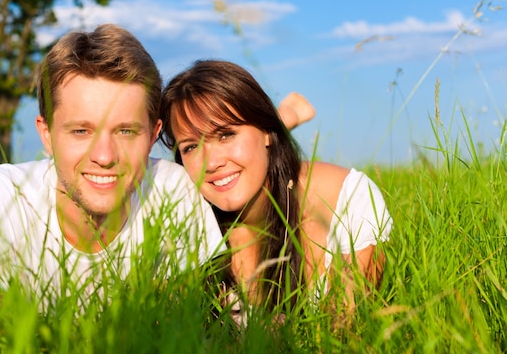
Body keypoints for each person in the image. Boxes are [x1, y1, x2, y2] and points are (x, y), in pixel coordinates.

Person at [0, 25, 225, 310]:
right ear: (47, 134)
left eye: (125, 131)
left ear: (153, 135)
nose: (104, 156)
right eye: (81, 131)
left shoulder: (172, 190)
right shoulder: (1, 198)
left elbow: (173, 333)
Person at [159, 59, 392, 325]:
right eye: (191, 147)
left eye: (226, 135)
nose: (211, 164)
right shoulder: (181, 219)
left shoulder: (346, 199)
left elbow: (343, 331)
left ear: (268, 132)